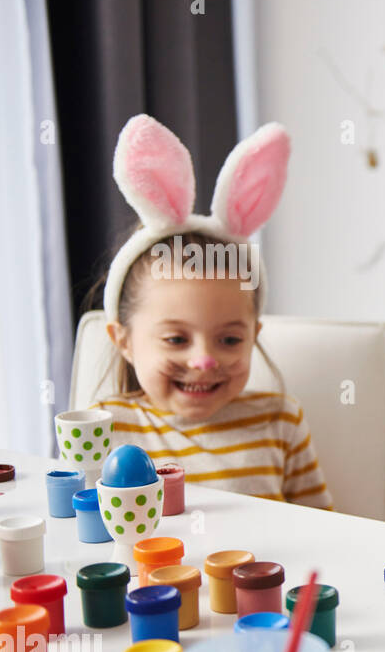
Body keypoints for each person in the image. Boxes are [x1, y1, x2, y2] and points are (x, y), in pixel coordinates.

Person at [84, 114, 332, 509]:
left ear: (254, 334)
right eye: (176, 339)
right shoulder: (101, 430)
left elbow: (327, 532)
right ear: (124, 340)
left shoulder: (280, 422)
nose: (204, 361)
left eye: (230, 339)